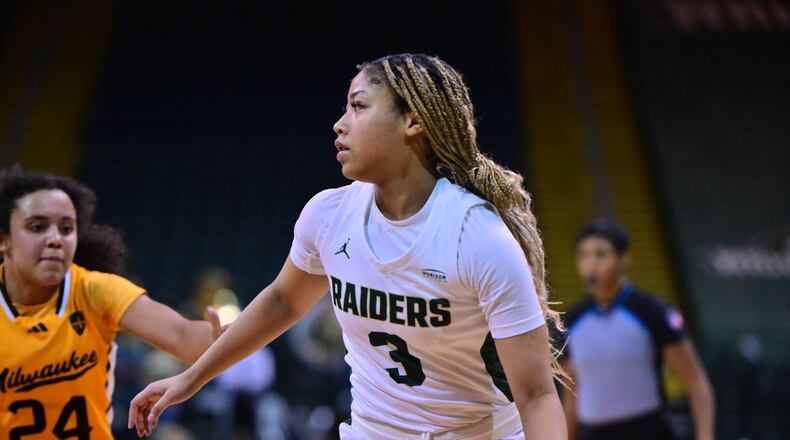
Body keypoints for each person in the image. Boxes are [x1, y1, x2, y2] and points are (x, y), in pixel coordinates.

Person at [129, 53, 567, 439]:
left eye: (358, 106)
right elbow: (283, 301)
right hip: (372, 431)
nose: (340, 124)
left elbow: (536, 395)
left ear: (412, 121)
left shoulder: (477, 237)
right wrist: (192, 378)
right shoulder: (328, 214)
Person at [0, 166, 223, 439]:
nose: (56, 239)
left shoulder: (94, 290)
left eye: (67, 228)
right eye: (38, 227)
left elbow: (182, 335)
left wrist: (220, 341)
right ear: (4, 240)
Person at [562, 218, 715, 440]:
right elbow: (571, 398)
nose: (591, 264)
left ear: (623, 258)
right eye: (583, 255)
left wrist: (705, 435)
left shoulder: (653, 312)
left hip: (649, 431)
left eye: (601, 254)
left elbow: (696, 381)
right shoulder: (572, 321)